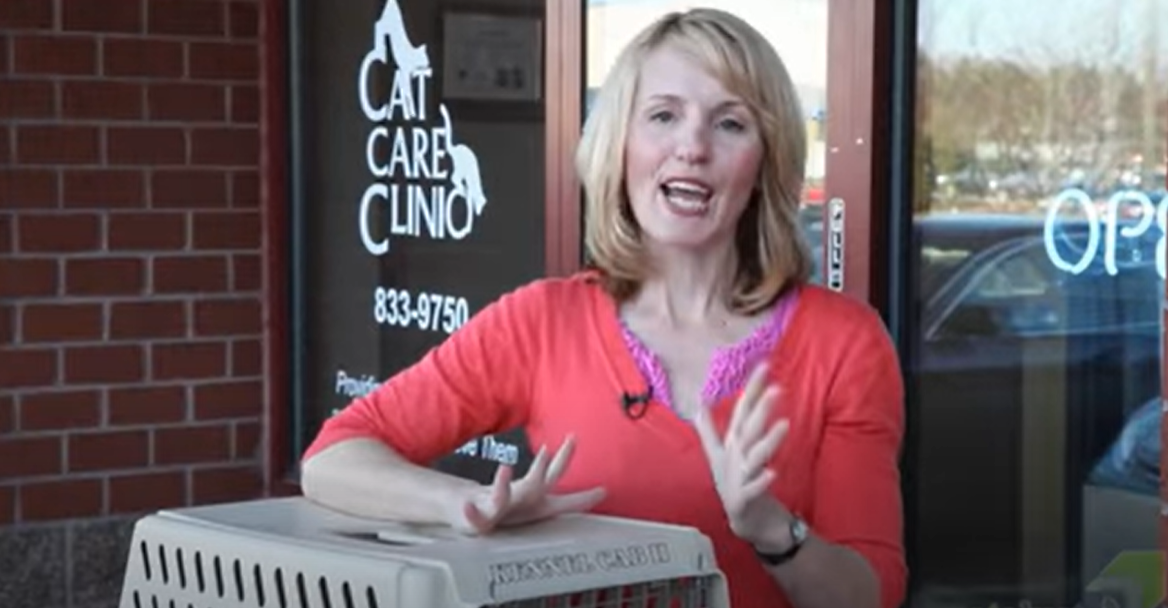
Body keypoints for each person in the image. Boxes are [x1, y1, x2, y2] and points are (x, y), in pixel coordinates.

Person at [300, 8, 906, 608]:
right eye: (663, 116)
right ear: (620, 144)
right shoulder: (540, 322)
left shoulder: (844, 341)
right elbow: (333, 458)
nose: (692, 146)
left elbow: (870, 593)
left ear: (765, 161)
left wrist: (773, 531)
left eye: (730, 124)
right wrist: (465, 507)